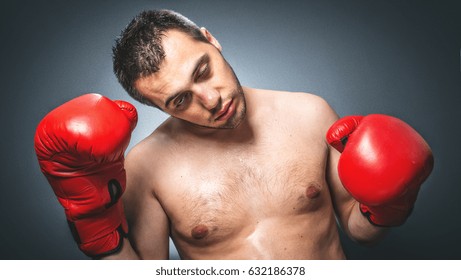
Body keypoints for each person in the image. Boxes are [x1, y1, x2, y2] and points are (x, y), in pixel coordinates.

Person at [34, 9, 434, 260]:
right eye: (179, 100)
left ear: (212, 40)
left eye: (203, 71)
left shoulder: (310, 113)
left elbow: (361, 233)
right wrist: (94, 227)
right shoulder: (146, 168)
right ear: (156, 108)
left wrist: (391, 205)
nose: (209, 100)